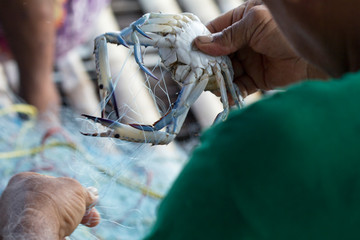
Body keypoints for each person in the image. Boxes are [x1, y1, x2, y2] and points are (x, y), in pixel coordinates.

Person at [2, 0, 360, 239]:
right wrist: (317, 57)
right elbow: (117, 39)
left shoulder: (263, 147)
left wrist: (30, 223)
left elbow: (168, 127)